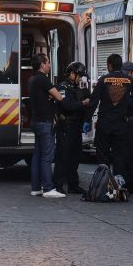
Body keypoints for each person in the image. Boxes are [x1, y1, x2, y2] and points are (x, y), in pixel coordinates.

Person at [85, 54, 133, 188]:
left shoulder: (103, 80)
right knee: (119, 155)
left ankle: (104, 185)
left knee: (103, 154)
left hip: (104, 123)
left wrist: (86, 120)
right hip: (121, 124)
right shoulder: (131, 80)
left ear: (109, 65)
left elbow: (93, 101)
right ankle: (118, 186)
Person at [28, 53, 66, 198]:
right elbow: (59, 97)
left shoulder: (32, 79)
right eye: (48, 62)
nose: (50, 65)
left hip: (36, 121)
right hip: (45, 122)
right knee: (47, 156)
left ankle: (36, 188)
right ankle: (49, 188)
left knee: (37, 155)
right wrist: (52, 95)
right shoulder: (42, 79)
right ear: (42, 64)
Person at [53, 61, 90, 195]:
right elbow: (66, 106)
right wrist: (83, 103)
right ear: (72, 73)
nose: (80, 78)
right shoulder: (62, 87)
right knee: (63, 157)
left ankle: (73, 185)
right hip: (66, 126)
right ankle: (58, 185)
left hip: (75, 126)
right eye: (79, 75)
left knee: (75, 157)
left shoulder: (76, 88)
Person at [121, 61, 133, 193]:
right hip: (128, 122)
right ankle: (128, 184)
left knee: (121, 154)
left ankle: (125, 183)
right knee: (127, 155)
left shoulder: (116, 82)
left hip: (122, 122)